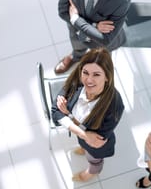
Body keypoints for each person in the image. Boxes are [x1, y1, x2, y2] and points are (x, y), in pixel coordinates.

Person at [51, 47, 124, 181]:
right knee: (85, 143)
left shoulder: (115, 105)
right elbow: (55, 112)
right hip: (83, 136)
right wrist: (83, 134)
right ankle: (84, 147)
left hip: (98, 146)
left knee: (94, 158)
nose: (88, 80)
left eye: (96, 75)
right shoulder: (77, 81)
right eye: (85, 72)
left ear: (107, 77)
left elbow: (96, 142)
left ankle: (93, 171)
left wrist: (68, 116)